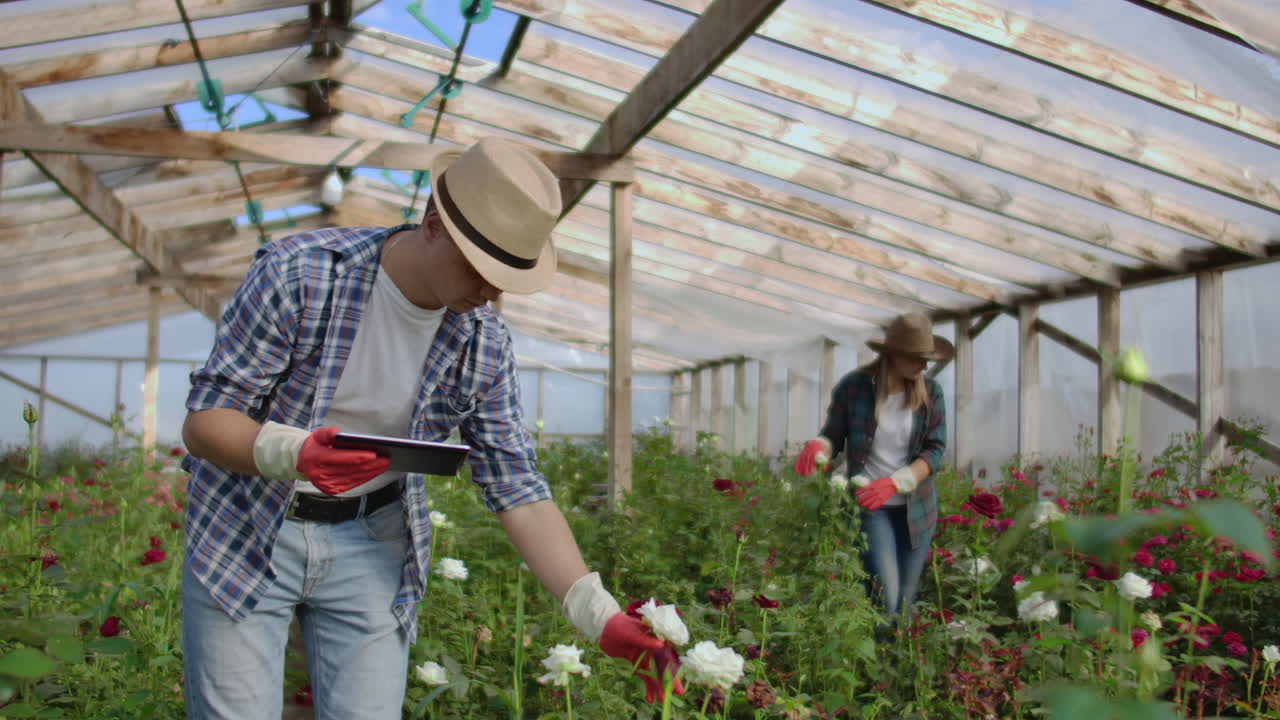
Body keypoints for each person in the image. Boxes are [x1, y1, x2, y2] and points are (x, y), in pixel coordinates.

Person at [179, 137, 682, 719]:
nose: (490, 291)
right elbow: (206, 421)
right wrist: (293, 453)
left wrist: (600, 615)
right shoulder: (302, 273)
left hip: (372, 538)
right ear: (435, 223)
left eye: (506, 277)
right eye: (481, 267)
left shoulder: (483, 341)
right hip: (248, 522)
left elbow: (516, 485)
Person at [793, 313, 950, 627]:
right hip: (871, 506)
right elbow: (834, 437)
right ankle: (877, 668)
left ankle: (896, 671)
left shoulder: (931, 393)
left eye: (927, 359)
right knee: (885, 597)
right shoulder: (855, 388)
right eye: (917, 358)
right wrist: (818, 446)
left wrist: (896, 482)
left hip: (916, 511)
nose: (924, 366)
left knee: (904, 605)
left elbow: (935, 450)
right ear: (893, 354)